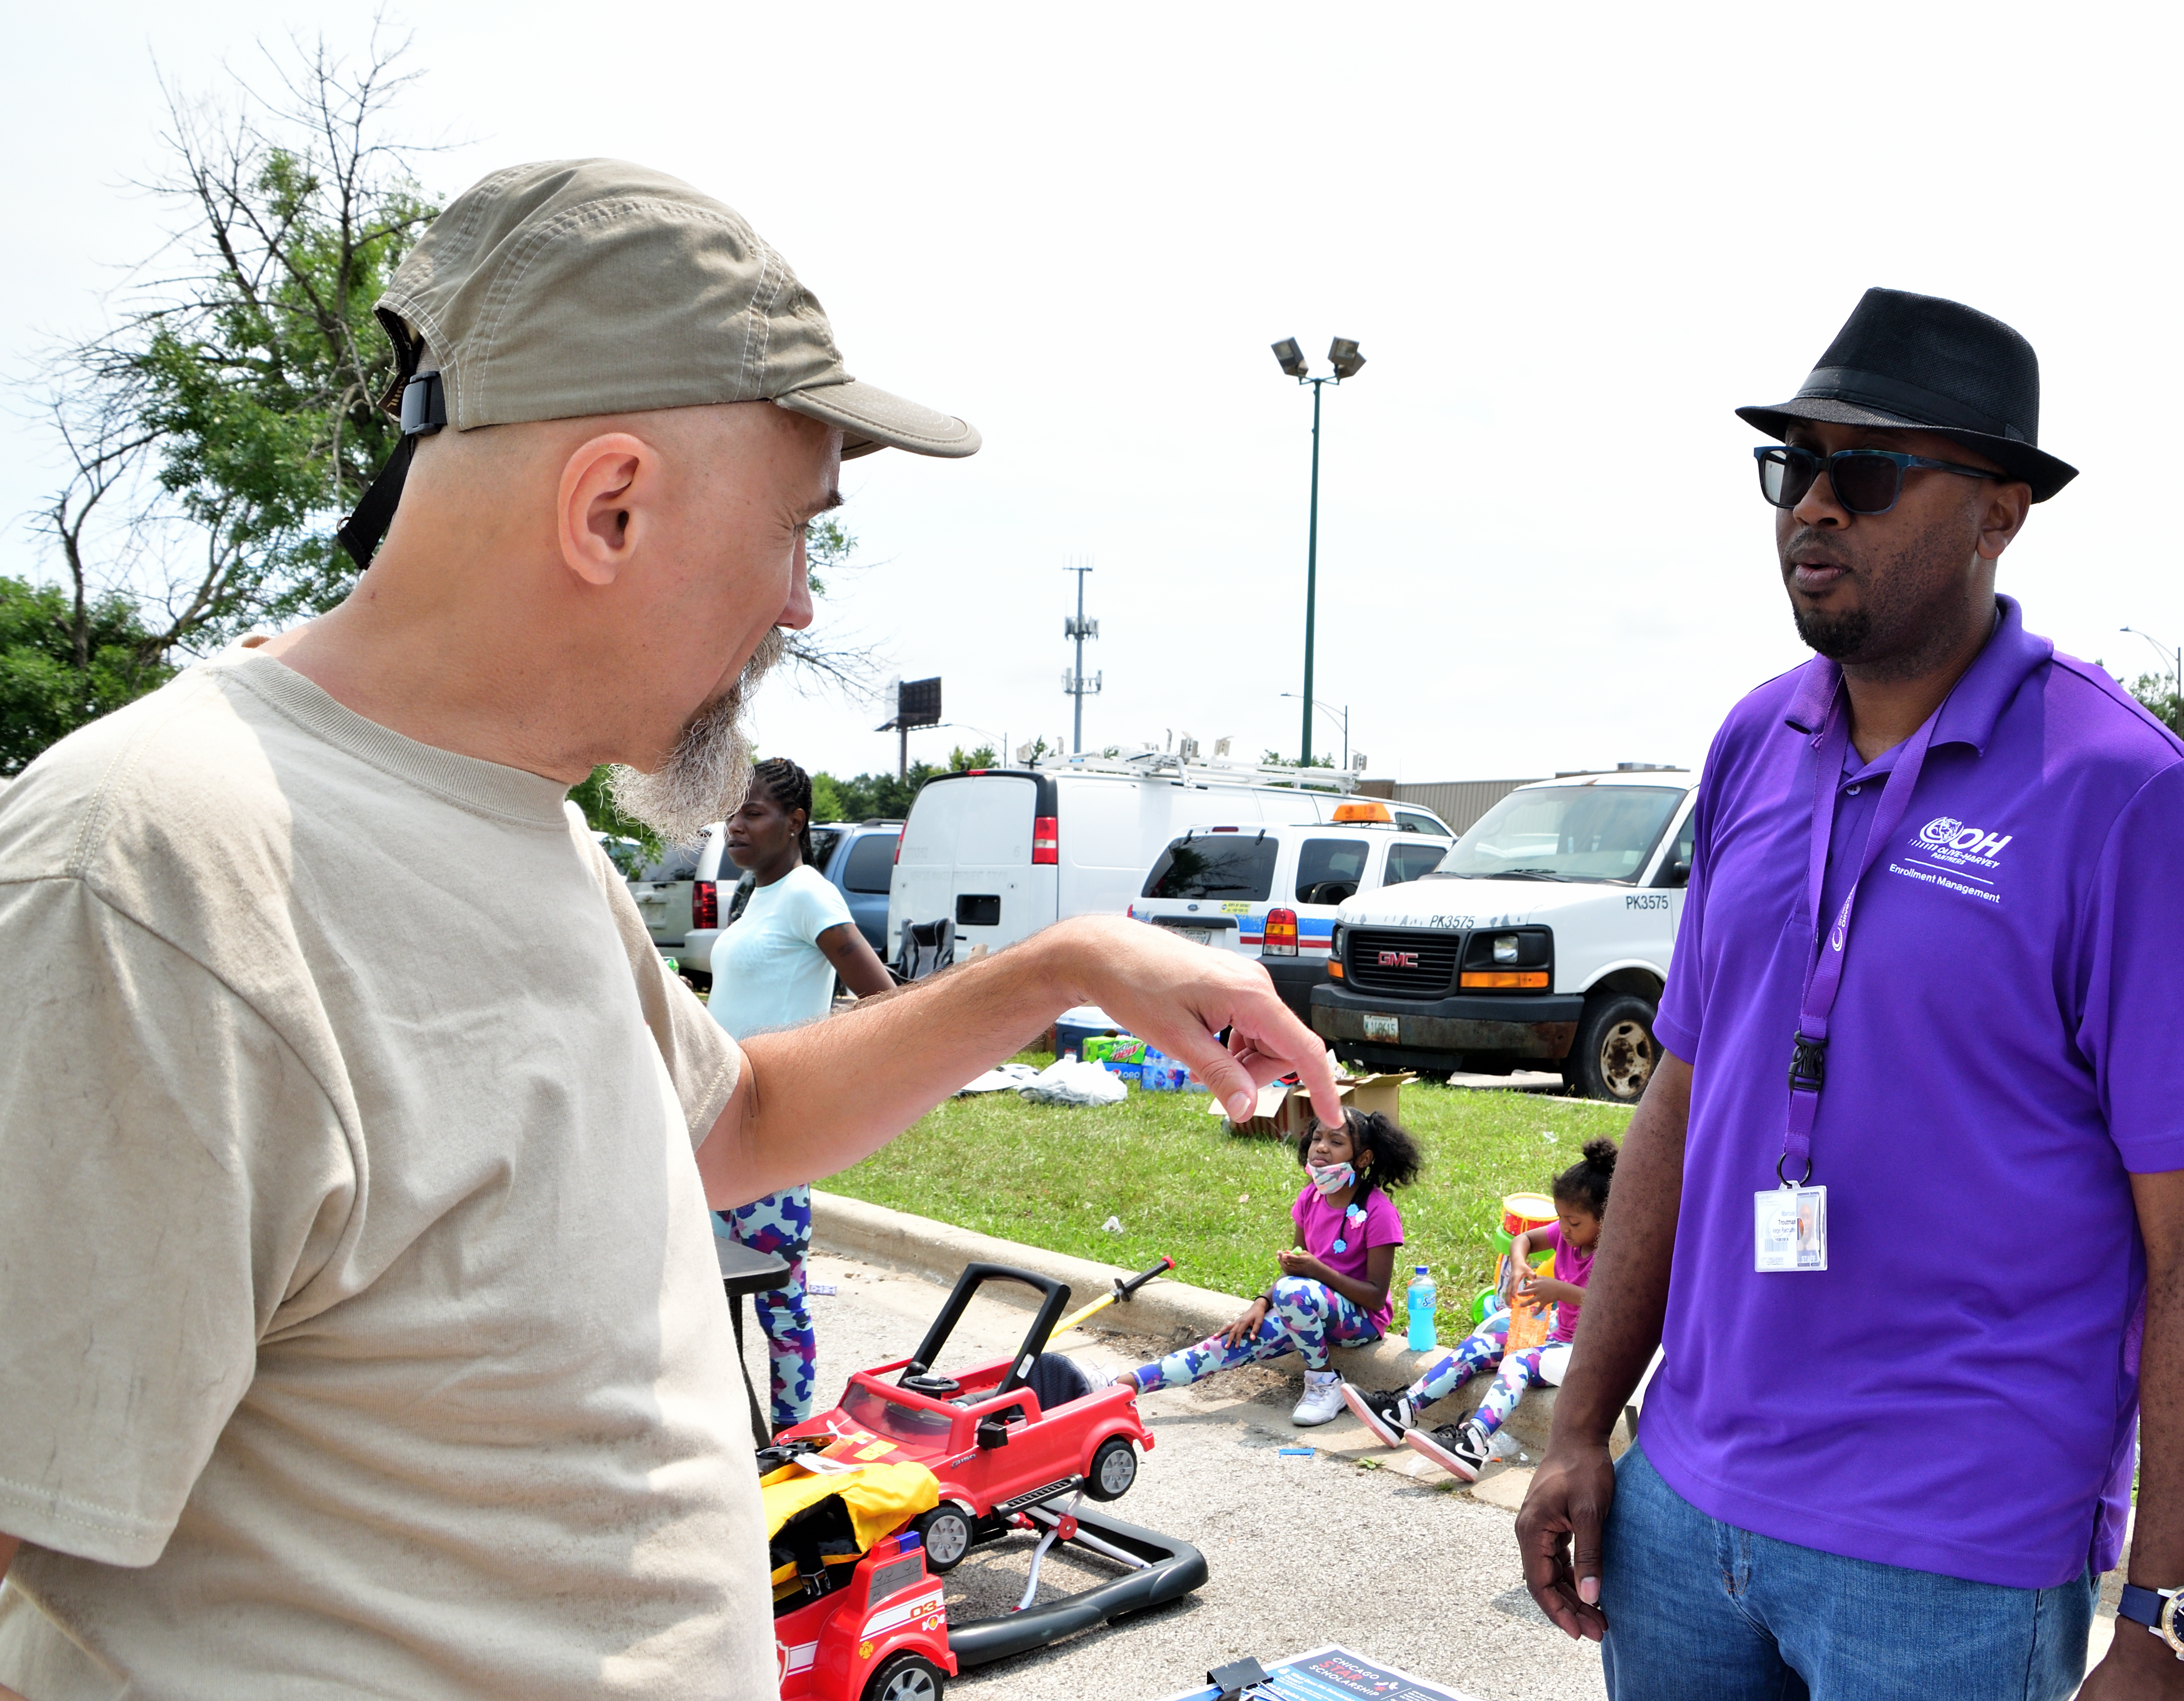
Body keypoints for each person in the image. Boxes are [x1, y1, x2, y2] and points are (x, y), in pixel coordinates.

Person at [0, 159, 1341, 1701]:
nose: (800, 607)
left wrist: (1062, 963)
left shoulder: (526, 826)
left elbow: (735, 1114)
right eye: (796, 531)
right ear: (611, 507)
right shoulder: (152, 874)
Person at [1514, 287, 2184, 1701]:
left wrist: (2165, 1624)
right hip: (1684, 1510)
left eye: (1865, 472)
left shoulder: (2124, 795)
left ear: (2000, 510)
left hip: (1949, 1561)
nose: (1811, 507)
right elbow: (1682, 1099)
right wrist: (1583, 1421)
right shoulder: (1754, 743)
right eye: (1791, 467)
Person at [706, 756, 895, 1430]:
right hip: (719, 1124)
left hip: (774, 1130)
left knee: (779, 1302)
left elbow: (882, 999)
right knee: (710, 1290)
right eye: (731, 813)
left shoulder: (811, 892)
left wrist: (824, 1075)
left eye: (752, 813)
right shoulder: (757, 896)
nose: (735, 826)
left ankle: (794, 1437)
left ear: (795, 822)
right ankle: (728, 1430)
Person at [1114, 1111, 1421, 1426]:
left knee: (1292, 1291)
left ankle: (1324, 1381)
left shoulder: (1379, 1211)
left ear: (1363, 1158)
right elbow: (1296, 1275)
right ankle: (1124, 1384)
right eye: (1317, 1138)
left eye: (1336, 1141)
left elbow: (1374, 1297)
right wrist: (1262, 1302)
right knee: (1227, 1345)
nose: (1322, 1147)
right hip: (1304, 1308)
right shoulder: (1310, 1199)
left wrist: (1316, 1272)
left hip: (1361, 1322)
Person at [1346, 1137, 1612, 1482]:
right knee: (1484, 1342)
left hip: (1586, 1350)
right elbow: (1525, 1240)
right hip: (1560, 1335)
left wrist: (1560, 1291)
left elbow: (1612, 1306)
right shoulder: (1566, 1236)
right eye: (1561, 1219)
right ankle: (1403, 1409)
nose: (1564, 1229)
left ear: (1605, 1219)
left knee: (1518, 1360)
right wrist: (1519, 1264)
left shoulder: (1613, 1254)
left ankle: (1473, 1441)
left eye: (1573, 1223)